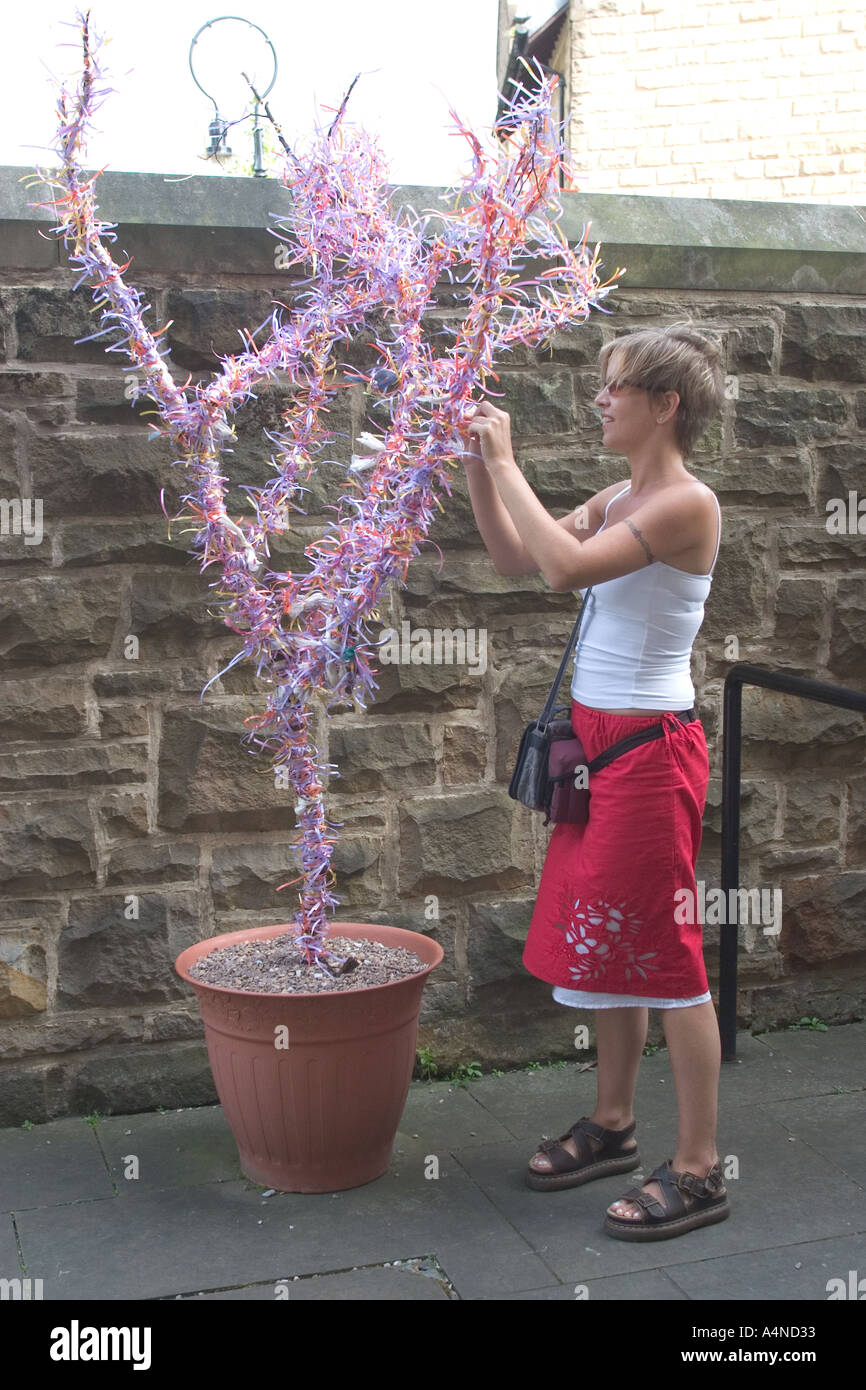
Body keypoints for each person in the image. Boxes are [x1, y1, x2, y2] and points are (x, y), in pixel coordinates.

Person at [462, 323, 729, 1241]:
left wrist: (508, 459)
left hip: (652, 756)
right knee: (606, 938)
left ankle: (699, 1168)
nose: (599, 400)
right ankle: (614, 1124)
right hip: (597, 745)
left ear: (666, 404)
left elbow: (568, 564)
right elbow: (517, 560)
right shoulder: (619, 495)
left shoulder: (686, 505)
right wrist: (476, 465)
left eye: (615, 387)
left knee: (670, 956)